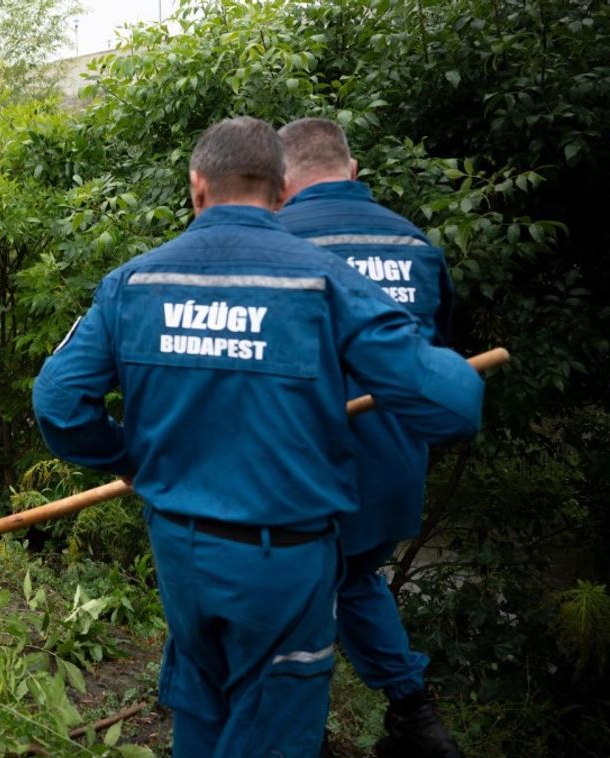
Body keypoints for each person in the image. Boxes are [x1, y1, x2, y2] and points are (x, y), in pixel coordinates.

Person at [32, 116, 485, 757]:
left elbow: (58, 404)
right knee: (273, 727)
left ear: (196, 188)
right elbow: (454, 401)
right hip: (285, 562)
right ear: (281, 193)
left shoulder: (135, 282)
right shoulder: (324, 281)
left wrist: (130, 460)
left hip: (180, 553)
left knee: (201, 704)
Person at [278, 117, 463, 758]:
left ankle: (302, 736)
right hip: (391, 469)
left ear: (280, 183)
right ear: (352, 170)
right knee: (356, 581)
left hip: (303, 470)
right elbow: (431, 365)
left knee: (290, 601)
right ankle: (416, 716)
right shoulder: (415, 244)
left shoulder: (276, 242)